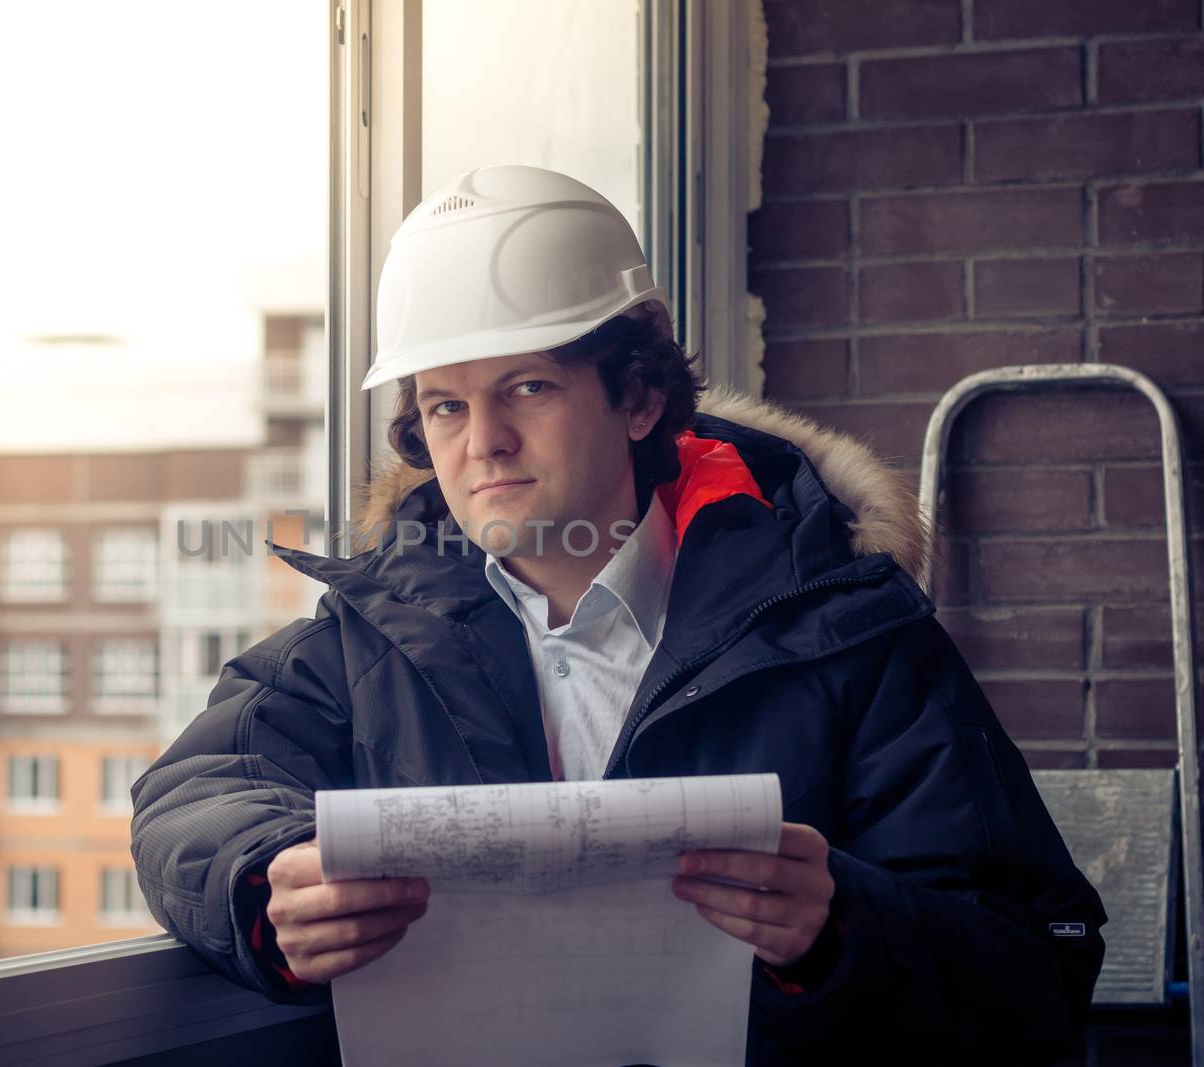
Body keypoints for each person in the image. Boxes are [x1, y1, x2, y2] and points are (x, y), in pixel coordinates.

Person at [129, 164, 1106, 1064]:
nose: (485, 442)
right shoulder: (365, 644)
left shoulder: (850, 637)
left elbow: (1036, 968)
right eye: (445, 407)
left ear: (638, 397)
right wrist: (266, 887)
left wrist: (841, 927)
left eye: (527, 387)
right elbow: (197, 788)